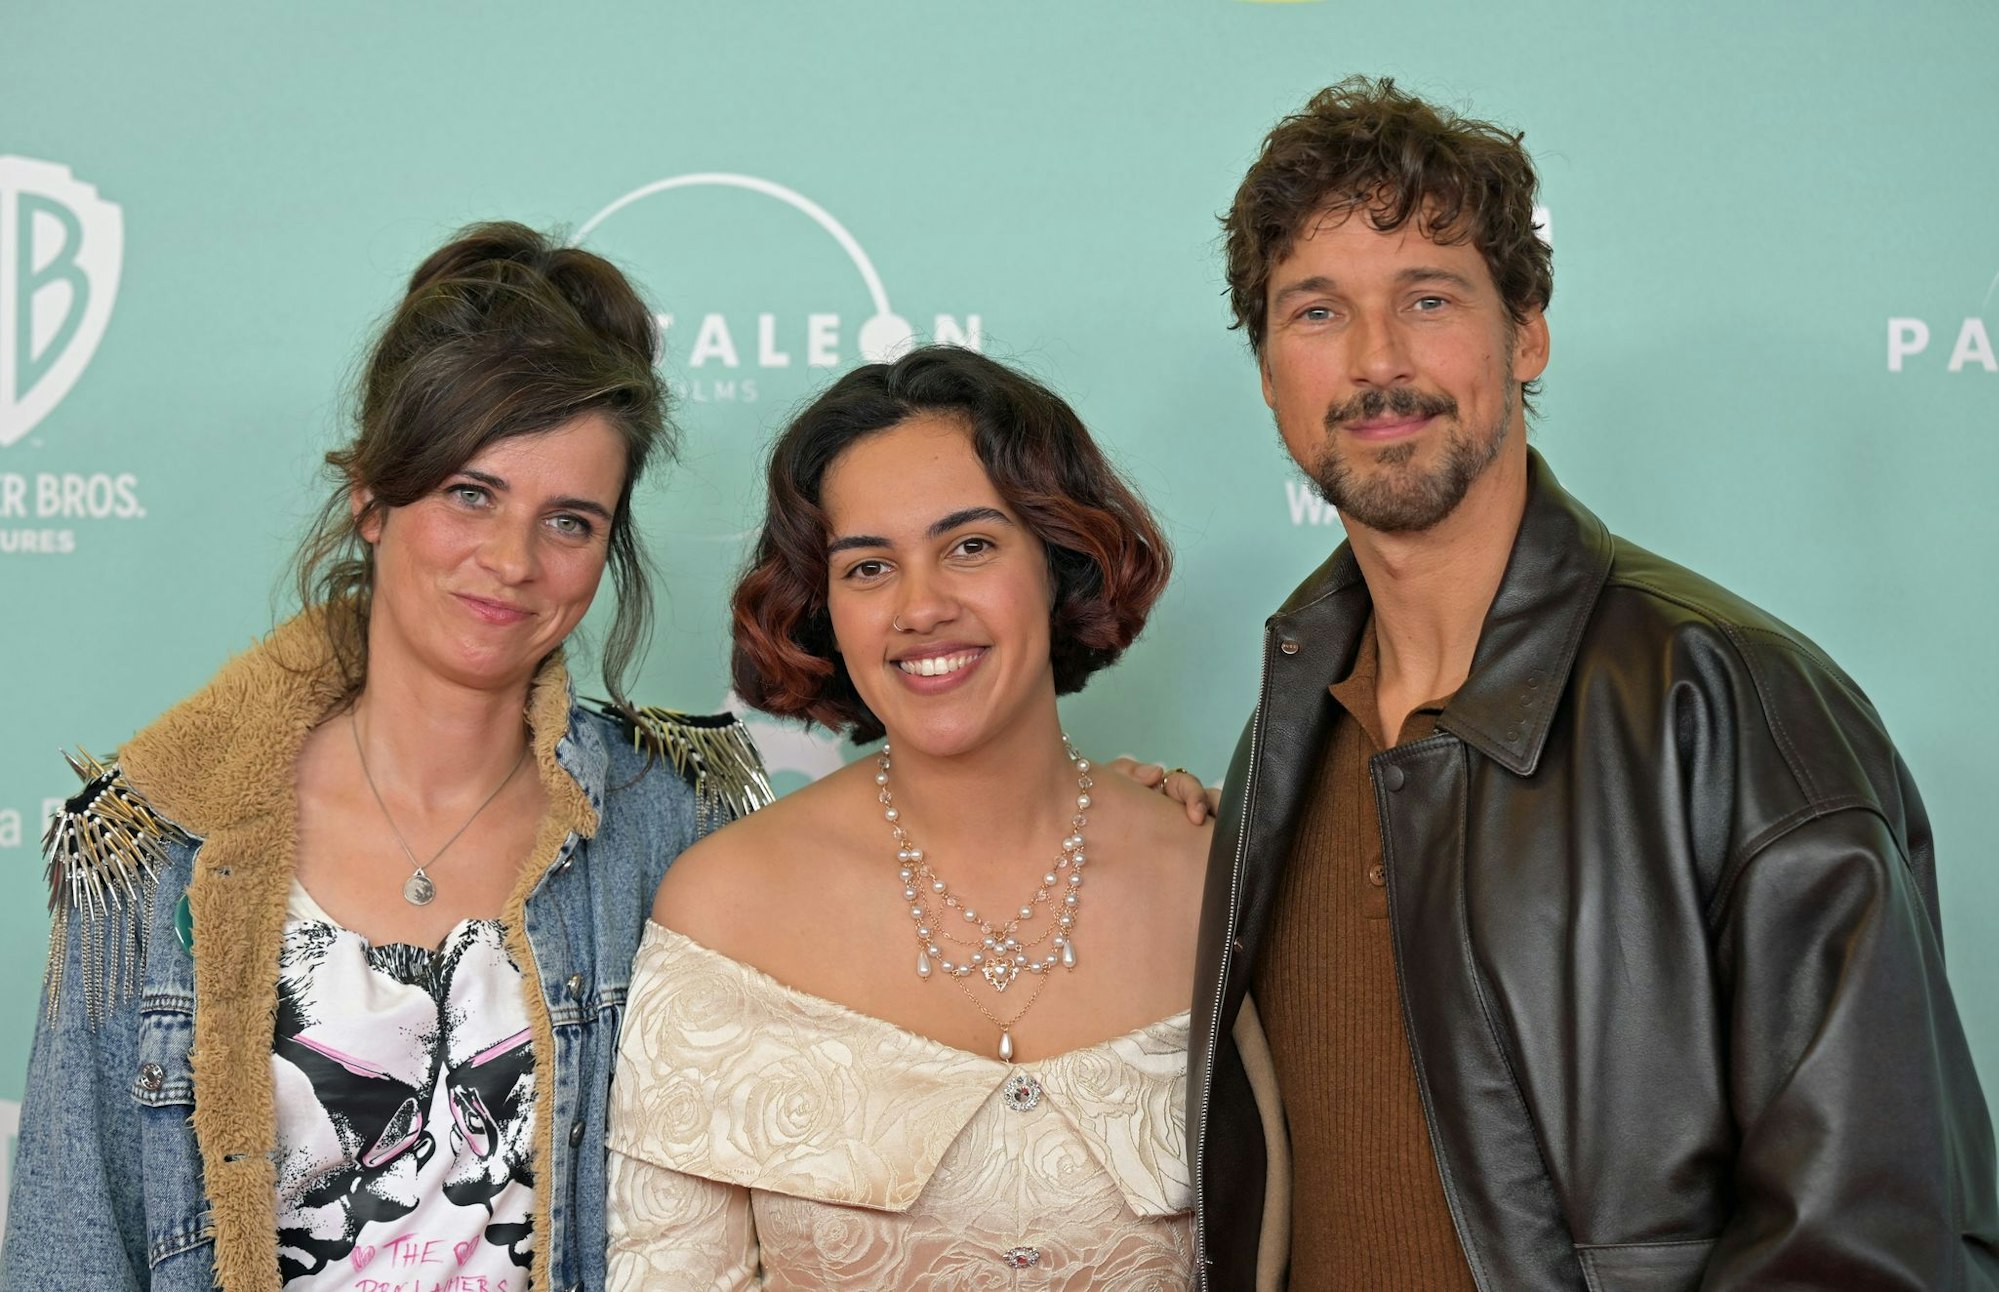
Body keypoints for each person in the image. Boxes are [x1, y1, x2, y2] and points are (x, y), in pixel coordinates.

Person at [1187, 77, 1999, 1290]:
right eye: (1316, 311)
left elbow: (1879, 1233)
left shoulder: (1730, 701)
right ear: (1266, 372)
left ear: (1527, 333)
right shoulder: (1286, 731)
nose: (1377, 360)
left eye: (1427, 296)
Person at [2, 223, 769, 1292]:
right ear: (371, 495)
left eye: (569, 521)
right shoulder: (153, 839)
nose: (511, 560)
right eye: (470, 493)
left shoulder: (672, 821)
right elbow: (69, 1247)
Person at [604, 346, 1231, 1287]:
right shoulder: (724, 907)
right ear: (822, 608)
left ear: (1059, 563)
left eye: (970, 546)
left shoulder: (1215, 875)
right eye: (867, 568)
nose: (921, 606)